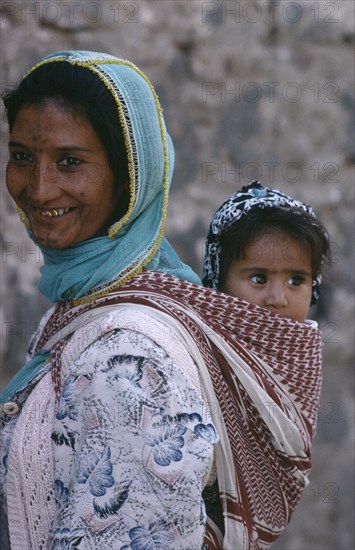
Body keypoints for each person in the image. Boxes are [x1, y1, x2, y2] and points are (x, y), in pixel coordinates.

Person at [0, 51, 326, 550]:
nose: (40, 188)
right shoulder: (93, 306)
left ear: (132, 177)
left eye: (70, 161)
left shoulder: (128, 357)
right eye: (22, 155)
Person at [202, 180, 330, 323]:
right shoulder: (190, 342)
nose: (277, 300)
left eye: (295, 281)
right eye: (259, 279)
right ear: (217, 282)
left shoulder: (309, 344)